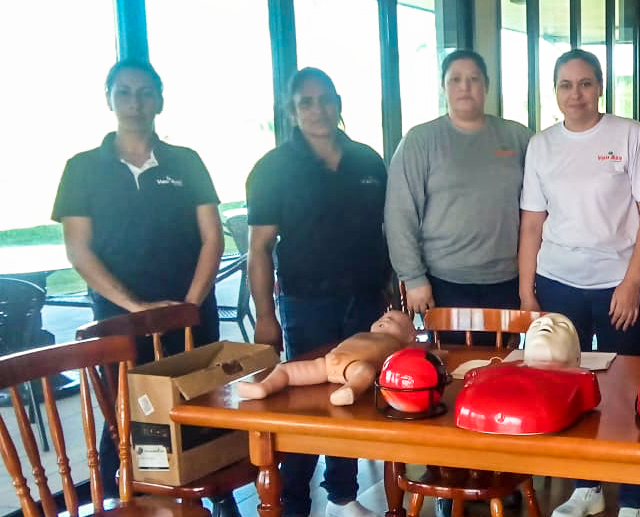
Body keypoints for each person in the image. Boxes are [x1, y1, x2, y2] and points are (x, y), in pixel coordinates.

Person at [51, 59, 225, 506]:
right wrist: (134, 309)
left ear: (160, 101)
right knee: (128, 424)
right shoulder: (82, 168)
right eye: (124, 92)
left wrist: (186, 306)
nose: (134, 102)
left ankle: (214, 496)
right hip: (118, 325)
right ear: (108, 98)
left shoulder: (187, 162)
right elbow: (79, 250)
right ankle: (130, 502)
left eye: (145, 92)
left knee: (203, 414)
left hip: (191, 317)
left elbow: (212, 238)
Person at [518, 49, 640, 517]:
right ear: (554, 91)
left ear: (599, 87)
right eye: (564, 85)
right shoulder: (542, 144)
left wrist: (631, 281)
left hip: (618, 283)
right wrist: (526, 290)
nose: (575, 94)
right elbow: (532, 224)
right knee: (568, 385)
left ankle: (634, 496)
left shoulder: (629, 135)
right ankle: (587, 487)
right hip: (558, 282)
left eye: (584, 83)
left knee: (625, 385)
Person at [247, 67, 390, 517]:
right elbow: (259, 250)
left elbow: (384, 233)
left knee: (353, 398)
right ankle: (292, 504)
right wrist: (266, 317)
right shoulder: (272, 169)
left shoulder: (367, 160)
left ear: (339, 103)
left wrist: (390, 297)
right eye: (306, 102)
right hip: (307, 304)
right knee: (307, 407)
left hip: (366, 301)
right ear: (292, 111)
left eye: (325, 99)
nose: (317, 109)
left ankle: (343, 496)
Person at [386, 50, 533, 318]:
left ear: (486, 86)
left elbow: (541, 205)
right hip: (444, 281)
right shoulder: (421, 140)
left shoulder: (517, 137)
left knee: (502, 359)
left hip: (507, 280)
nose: (465, 86)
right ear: (443, 87)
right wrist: (414, 278)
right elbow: (399, 215)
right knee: (453, 359)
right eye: (455, 79)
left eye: (474, 79)